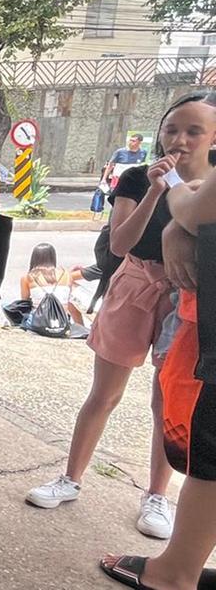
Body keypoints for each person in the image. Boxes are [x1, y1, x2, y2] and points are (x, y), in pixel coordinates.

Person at [27, 91, 216, 541]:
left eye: (194, 131)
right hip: (134, 285)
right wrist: (155, 189)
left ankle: (156, 496)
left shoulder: (210, 186)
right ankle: (70, 478)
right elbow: (119, 244)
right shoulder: (134, 178)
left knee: (166, 404)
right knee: (104, 393)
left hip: (186, 299)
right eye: (172, 129)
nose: (180, 140)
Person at [100, 164, 216, 590]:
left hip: (205, 330)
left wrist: (178, 222)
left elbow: (196, 207)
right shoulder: (135, 178)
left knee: (208, 456)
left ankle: (173, 573)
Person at [16, 243, 86, 326]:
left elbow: (25, 302)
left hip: (39, 322)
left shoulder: (28, 277)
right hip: (62, 321)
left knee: (6, 305)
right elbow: (66, 298)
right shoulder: (67, 275)